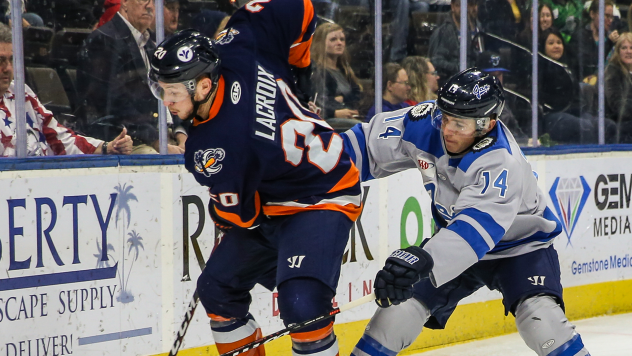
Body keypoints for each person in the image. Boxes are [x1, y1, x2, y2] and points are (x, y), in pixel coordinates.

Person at [147, 0, 362, 355]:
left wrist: (222, 214)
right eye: (162, 89)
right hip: (275, 195)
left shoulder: (215, 148)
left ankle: (308, 287)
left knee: (302, 306)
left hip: (320, 194)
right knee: (218, 289)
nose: (165, 100)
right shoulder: (241, 43)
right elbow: (300, 8)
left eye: (172, 91)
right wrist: (301, 69)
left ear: (202, 86)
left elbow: (240, 217)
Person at [341, 68, 591, 356]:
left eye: (459, 124)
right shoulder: (425, 122)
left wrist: (421, 260)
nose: (447, 129)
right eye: (445, 117)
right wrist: (310, 176)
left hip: (520, 249)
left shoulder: (500, 160)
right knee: (393, 318)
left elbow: (474, 230)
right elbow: (360, 147)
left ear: (488, 124)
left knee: (542, 322)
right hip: (453, 242)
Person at [0, 23, 132, 156]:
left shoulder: (20, 92)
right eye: (1, 60)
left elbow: (58, 138)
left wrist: (106, 147)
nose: (8, 68)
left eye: (11, 60)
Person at [77, 0, 185, 154]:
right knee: (153, 161)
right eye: (143, 0)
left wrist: (182, 134)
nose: (149, 6)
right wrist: (156, 141)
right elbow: (113, 105)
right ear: (125, 2)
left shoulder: (150, 44)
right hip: (123, 139)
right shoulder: (104, 40)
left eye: (153, 2)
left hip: (161, 135)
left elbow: (170, 90)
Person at [310, 22, 362, 120]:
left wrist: (342, 98)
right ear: (320, 43)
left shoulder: (345, 70)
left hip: (348, 115)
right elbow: (319, 102)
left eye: (342, 39)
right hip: (329, 121)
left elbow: (357, 95)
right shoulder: (316, 71)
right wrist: (334, 113)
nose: (339, 43)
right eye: (333, 39)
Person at [428, 0, 481, 87]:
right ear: (452, 6)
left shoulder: (477, 27)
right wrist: (459, 67)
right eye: (459, 5)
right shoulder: (444, 31)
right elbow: (436, 61)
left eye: (469, 5)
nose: (465, 9)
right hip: (451, 82)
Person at [568, 0, 616, 82]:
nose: (610, 20)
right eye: (606, 16)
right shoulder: (580, 36)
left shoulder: (612, 38)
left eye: (612, 17)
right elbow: (589, 64)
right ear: (592, 14)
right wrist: (608, 44)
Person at [605, 33, 632, 143]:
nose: (628, 51)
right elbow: (618, 106)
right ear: (618, 51)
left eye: (631, 48)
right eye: (624, 48)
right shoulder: (612, 71)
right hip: (618, 123)